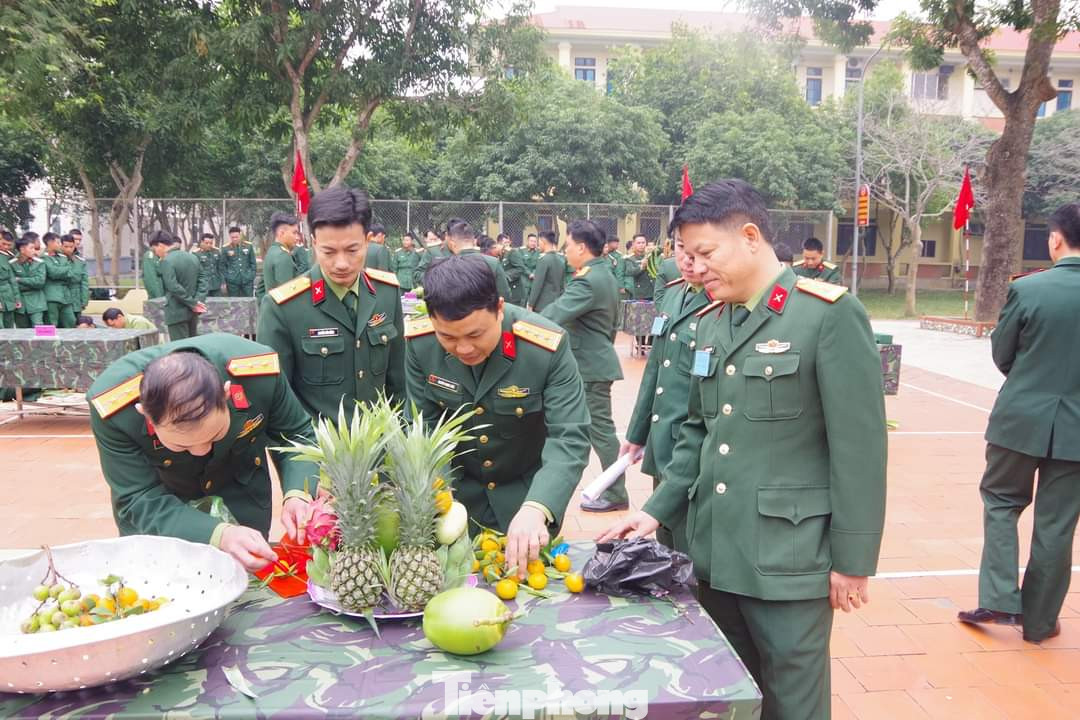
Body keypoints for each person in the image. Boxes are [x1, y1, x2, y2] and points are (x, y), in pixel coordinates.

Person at [600, 180, 887, 720]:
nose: (696, 266)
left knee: (792, 703)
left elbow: (860, 450)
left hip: (788, 559)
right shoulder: (712, 321)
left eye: (706, 253)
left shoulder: (825, 315)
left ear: (750, 237)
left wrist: (853, 562)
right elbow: (697, 434)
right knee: (726, 698)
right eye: (688, 254)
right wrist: (655, 512)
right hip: (713, 550)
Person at [404, 254, 590, 574]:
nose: (463, 349)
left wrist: (538, 507)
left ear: (499, 309)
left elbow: (569, 436)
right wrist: (438, 495)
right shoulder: (420, 344)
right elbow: (423, 428)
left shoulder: (545, 346)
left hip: (525, 499)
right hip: (455, 501)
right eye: (448, 337)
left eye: (475, 335)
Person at [86, 334, 318, 571]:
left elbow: (297, 433)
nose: (201, 451)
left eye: (215, 435)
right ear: (145, 414)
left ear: (226, 394)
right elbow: (138, 497)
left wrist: (298, 492)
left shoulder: (257, 374)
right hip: (163, 525)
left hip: (243, 505)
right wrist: (218, 534)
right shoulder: (115, 410)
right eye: (181, 446)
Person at [958, 202, 1080, 644]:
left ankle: (999, 600)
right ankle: (1041, 623)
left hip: (1019, 418)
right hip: (1077, 432)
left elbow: (1002, 354)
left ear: (1055, 239)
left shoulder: (1029, 290)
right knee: (1057, 523)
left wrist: (1032, 380)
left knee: (1001, 502)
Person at [256, 185, 405, 419]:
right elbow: (275, 399)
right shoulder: (283, 307)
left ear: (367, 241)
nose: (342, 263)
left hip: (379, 444)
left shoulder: (387, 293)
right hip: (318, 449)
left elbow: (398, 383)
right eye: (329, 252)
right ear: (314, 243)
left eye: (352, 249)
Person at [621, 229, 711, 552]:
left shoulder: (720, 302)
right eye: (681, 249)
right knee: (664, 537)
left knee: (690, 545)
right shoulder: (674, 293)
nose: (687, 260)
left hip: (692, 442)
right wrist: (637, 431)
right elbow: (656, 368)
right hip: (663, 439)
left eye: (697, 251)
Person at [541, 220, 626, 513]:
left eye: (567, 246)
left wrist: (522, 323)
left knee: (600, 432)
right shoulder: (603, 274)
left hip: (590, 366)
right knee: (600, 429)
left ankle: (615, 493)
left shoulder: (588, 280)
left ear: (580, 247)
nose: (565, 252)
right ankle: (614, 490)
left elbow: (555, 314)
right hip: (595, 361)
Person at [152, 230, 206, 341]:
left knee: (181, 350)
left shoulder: (166, 261)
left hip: (176, 312)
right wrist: (197, 301)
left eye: (155, 249)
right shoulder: (193, 257)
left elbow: (173, 286)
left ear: (161, 245)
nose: (156, 253)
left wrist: (193, 303)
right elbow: (203, 280)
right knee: (192, 347)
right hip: (193, 313)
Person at [445, 221, 513, 301]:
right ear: (474, 241)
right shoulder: (492, 263)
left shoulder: (446, 267)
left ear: (452, 243)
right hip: (488, 312)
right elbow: (505, 296)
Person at [257, 212, 302, 298]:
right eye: (294, 233)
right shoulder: (283, 256)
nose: (298, 237)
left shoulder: (272, 251)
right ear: (281, 233)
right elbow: (286, 295)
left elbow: (260, 289)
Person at [11, 234, 46, 327]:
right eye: (31, 248)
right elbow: (12, 284)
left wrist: (19, 279)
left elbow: (40, 282)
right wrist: (30, 282)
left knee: (38, 327)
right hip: (20, 302)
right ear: (22, 249)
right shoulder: (12, 263)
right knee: (22, 332)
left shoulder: (39, 263)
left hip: (36, 302)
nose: (34, 251)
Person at [526, 230, 565, 313]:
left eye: (539, 241)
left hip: (542, 306)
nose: (537, 244)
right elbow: (562, 285)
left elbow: (537, 285)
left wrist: (530, 304)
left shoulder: (543, 260)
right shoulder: (561, 260)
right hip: (556, 304)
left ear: (543, 242)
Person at [42, 232, 76, 328]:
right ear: (50, 243)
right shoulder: (43, 258)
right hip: (51, 297)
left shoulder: (63, 257)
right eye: (57, 242)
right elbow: (53, 273)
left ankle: (71, 343)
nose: (60, 245)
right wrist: (65, 270)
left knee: (71, 322)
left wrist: (62, 271)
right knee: (51, 325)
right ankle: (50, 343)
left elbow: (71, 273)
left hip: (66, 297)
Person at [414, 225, 453, 290]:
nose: (433, 242)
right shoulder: (431, 251)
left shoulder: (465, 251)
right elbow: (417, 273)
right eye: (431, 239)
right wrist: (434, 280)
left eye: (435, 239)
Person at [221, 226, 256, 296]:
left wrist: (251, 275)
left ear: (240, 235)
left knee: (248, 301)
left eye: (236, 237)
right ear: (230, 237)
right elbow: (222, 265)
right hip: (232, 281)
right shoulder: (225, 248)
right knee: (233, 303)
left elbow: (253, 263)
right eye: (232, 237)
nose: (234, 239)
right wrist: (227, 277)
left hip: (247, 279)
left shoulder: (248, 246)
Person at [61, 233, 89, 316]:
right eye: (66, 247)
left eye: (71, 247)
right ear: (61, 245)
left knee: (76, 322)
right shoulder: (56, 260)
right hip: (61, 298)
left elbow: (84, 282)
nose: (69, 249)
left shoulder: (80, 261)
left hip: (76, 298)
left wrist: (84, 299)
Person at [498, 233, 528, 306]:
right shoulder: (499, 255)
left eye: (508, 242)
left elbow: (521, 268)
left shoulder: (512, 252)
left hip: (514, 292)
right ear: (499, 243)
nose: (507, 245)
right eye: (504, 243)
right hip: (505, 291)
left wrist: (506, 276)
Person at [0, 229, 21, 328]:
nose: (6, 247)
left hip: (8, 297)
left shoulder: (10, 257)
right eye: (3, 243)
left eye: (9, 245)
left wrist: (17, 298)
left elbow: (12, 280)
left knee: (9, 329)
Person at [623, 234, 653, 301]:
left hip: (652, 291)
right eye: (638, 243)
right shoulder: (629, 258)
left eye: (643, 242)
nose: (641, 245)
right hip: (639, 293)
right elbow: (630, 272)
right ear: (633, 244)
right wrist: (641, 267)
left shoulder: (651, 256)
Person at [194, 232, 223, 298]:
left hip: (216, 284)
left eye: (211, 243)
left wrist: (223, 282)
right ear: (202, 242)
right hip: (204, 285)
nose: (209, 245)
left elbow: (220, 268)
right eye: (206, 243)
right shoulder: (196, 254)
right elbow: (195, 272)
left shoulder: (216, 251)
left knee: (219, 305)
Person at [521, 233, 540, 299]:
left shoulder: (539, 251)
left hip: (535, 279)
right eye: (531, 241)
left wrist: (534, 273)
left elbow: (539, 264)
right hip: (524, 279)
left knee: (534, 300)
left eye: (535, 241)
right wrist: (529, 274)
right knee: (523, 300)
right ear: (527, 241)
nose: (533, 243)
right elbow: (521, 265)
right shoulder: (521, 251)